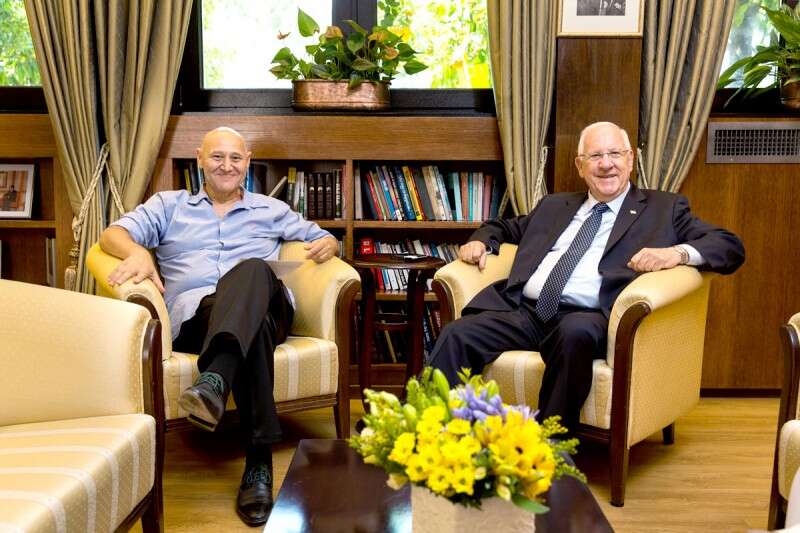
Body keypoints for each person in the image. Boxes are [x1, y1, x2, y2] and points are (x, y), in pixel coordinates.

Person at [426, 121, 744, 432]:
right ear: (580, 166)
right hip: (525, 311)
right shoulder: (555, 205)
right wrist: (481, 241)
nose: (606, 164)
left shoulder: (663, 208)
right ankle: (428, 433)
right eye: (595, 156)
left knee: (573, 333)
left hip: (589, 316)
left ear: (630, 159)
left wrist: (677, 253)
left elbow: (729, 246)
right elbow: (504, 227)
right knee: (458, 333)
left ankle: (551, 444)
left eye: (615, 154)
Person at [99, 126, 339, 526]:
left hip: (270, 304)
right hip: (199, 317)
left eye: (235, 158)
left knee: (253, 270)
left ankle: (213, 382)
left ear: (247, 162)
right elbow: (112, 235)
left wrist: (330, 243)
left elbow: (324, 238)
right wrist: (137, 251)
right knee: (254, 329)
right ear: (199, 159)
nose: (227, 165)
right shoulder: (168, 206)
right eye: (217, 157)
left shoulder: (271, 209)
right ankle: (259, 462)